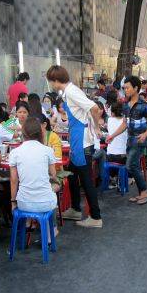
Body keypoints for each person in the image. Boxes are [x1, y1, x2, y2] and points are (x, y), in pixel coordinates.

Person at [46, 65, 103, 228]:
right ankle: (76, 208)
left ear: (56, 81)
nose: (51, 85)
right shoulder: (69, 91)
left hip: (82, 143)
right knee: (71, 173)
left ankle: (96, 217)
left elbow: (94, 108)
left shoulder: (71, 91)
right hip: (78, 141)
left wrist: (97, 128)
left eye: (51, 81)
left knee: (86, 181)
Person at [106, 76, 147, 205]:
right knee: (134, 166)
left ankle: (145, 192)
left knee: (130, 165)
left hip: (139, 140)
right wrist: (112, 136)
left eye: (127, 87)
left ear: (136, 88)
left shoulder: (145, 106)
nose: (125, 90)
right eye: (124, 88)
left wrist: (145, 135)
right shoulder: (126, 105)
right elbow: (124, 124)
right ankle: (142, 193)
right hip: (130, 139)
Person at [9, 117, 59, 237]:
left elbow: (14, 181)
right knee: (55, 185)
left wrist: (13, 202)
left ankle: (27, 224)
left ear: (23, 133)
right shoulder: (48, 151)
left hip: (23, 203)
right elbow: (53, 174)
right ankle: (50, 233)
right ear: (40, 131)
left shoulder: (15, 152)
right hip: (46, 202)